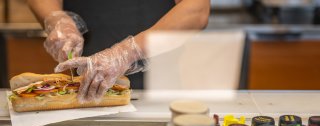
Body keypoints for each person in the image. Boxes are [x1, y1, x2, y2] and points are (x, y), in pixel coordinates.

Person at [27, 0, 210, 103]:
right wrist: (56, 19)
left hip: (157, 90)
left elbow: (197, 10)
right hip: (85, 88)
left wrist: (128, 52)